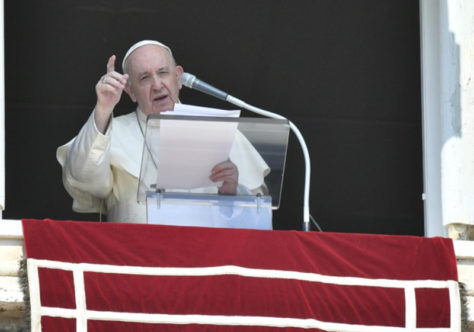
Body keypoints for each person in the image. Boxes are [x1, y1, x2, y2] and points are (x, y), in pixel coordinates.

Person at [57, 40, 269, 224]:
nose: (157, 85)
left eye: (163, 73)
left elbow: (259, 221)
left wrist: (231, 191)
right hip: (139, 260)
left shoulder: (222, 132)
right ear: (130, 90)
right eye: (144, 78)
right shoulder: (112, 132)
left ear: (178, 77)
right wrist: (103, 108)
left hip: (210, 261)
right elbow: (83, 179)